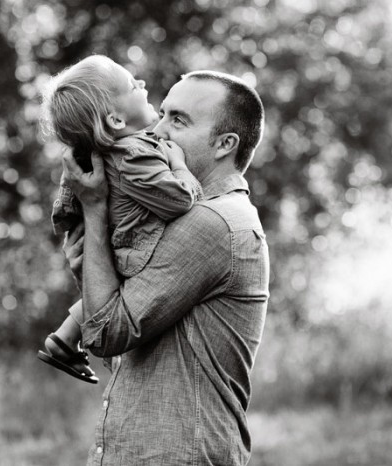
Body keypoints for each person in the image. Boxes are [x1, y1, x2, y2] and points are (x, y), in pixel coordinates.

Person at [60, 70, 269, 465]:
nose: (157, 130)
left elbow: (105, 334)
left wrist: (93, 208)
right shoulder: (169, 218)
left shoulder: (213, 223)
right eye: (162, 113)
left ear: (225, 144)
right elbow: (128, 351)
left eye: (179, 120)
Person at [37, 55, 201, 383]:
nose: (142, 83)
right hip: (135, 253)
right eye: (133, 85)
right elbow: (179, 199)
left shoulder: (108, 155)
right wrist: (180, 165)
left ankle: (64, 339)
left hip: (118, 248)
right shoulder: (134, 155)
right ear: (115, 119)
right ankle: (69, 341)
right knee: (124, 299)